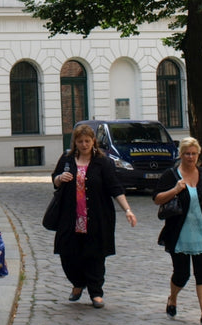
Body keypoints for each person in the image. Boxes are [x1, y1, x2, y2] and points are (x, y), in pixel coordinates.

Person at [50, 123, 137, 308]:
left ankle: (96, 292)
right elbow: (55, 180)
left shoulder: (103, 162)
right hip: (70, 217)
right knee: (68, 255)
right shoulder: (67, 159)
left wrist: (127, 210)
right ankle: (78, 283)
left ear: (93, 141)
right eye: (80, 141)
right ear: (75, 142)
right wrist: (60, 178)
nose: (84, 145)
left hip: (97, 217)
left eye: (87, 141)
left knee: (95, 256)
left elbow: (115, 188)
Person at [153, 136, 202, 325]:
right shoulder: (171, 175)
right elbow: (157, 199)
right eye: (187, 154)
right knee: (181, 274)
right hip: (179, 233)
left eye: (194, 154)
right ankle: (173, 298)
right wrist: (175, 190)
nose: (190, 157)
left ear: (198, 154)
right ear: (181, 155)